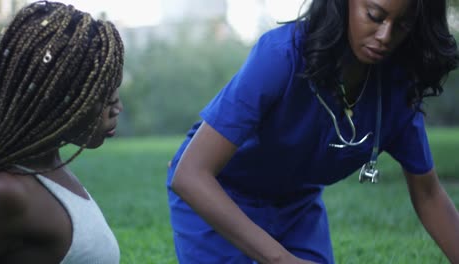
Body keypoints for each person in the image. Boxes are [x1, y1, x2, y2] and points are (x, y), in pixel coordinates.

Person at [167, 0, 459, 263]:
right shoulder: (282, 55)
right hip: (219, 193)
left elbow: (429, 195)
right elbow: (190, 174)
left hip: (295, 207)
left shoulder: (397, 91)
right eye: (374, 15)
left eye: (403, 24)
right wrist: (281, 259)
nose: (385, 36)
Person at [0, 1, 124, 263]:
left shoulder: (51, 169)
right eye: (104, 97)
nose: (117, 107)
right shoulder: (4, 192)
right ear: (53, 97)